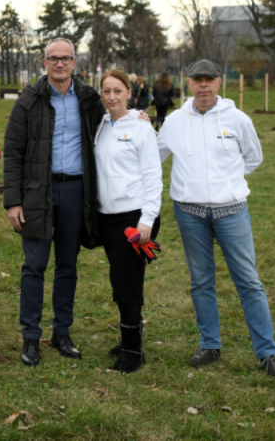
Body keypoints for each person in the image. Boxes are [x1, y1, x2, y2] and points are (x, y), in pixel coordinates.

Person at [156, 59, 275, 381]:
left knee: (248, 281)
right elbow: (153, 156)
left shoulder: (238, 119)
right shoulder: (174, 121)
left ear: (220, 83)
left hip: (231, 212)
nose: (203, 85)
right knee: (201, 281)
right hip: (189, 214)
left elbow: (253, 158)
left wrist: (227, 183)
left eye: (209, 80)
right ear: (187, 83)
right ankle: (210, 345)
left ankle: (268, 353)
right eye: (197, 79)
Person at [3, 38, 106, 366]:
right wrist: (12, 201)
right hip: (37, 193)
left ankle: (62, 332)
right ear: (43, 63)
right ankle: (30, 337)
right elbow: (13, 152)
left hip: (76, 191)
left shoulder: (90, 100)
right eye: (53, 59)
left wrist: (139, 120)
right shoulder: (28, 101)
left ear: (75, 63)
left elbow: (113, 128)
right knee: (34, 266)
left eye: (66, 58)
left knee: (68, 265)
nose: (59, 64)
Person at [93, 69, 163, 373]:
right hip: (107, 217)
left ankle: (133, 351)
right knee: (120, 278)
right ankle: (129, 338)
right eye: (106, 91)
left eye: (118, 91)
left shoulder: (141, 127)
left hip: (135, 219)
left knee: (127, 281)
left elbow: (153, 175)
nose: (111, 97)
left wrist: (148, 218)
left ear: (129, 93)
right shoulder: (101, 125)